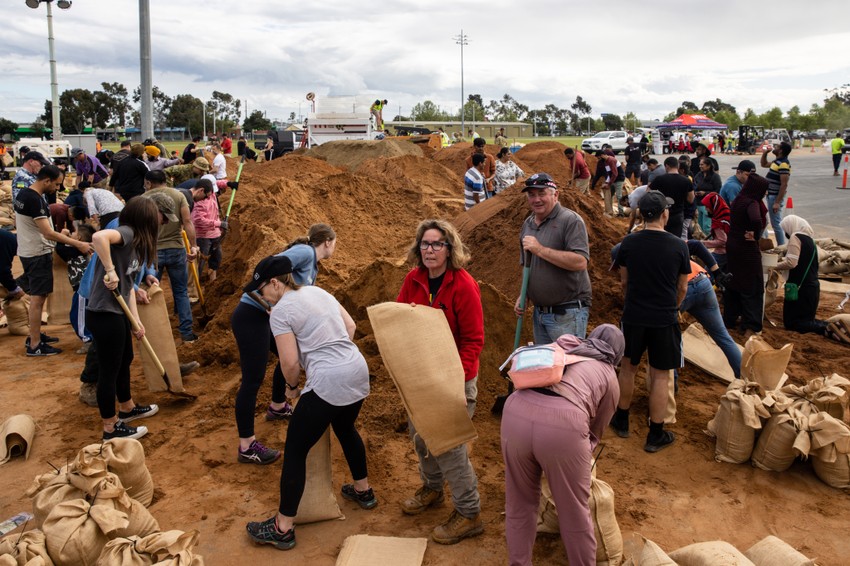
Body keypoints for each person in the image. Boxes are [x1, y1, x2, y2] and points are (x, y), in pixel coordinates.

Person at [245, 254, 375, 551]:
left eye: (261, 290)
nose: (262, 296)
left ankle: (282, 528)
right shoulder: (318, 291)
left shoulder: (280, 312)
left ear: (275, 283)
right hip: (356, 370)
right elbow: (351, 327)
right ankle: (363, 491)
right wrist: (335, 354)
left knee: (295, 450)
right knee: (346, 428)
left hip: (328, 380)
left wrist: (292, 388)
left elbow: (289, 363)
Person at [501, 325, 624, 566]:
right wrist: (576, 458)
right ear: (617, 354)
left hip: (515, 413)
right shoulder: (609, 374)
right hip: (563, 427)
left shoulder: (564, 349)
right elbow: (596, 430)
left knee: (520, 503)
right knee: (573, 513)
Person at [396, 219, 484, 545]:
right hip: (421, 376)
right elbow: (400, 320)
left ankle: (469, 512)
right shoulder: (414, 279)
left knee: (449, 446)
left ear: (450, 249)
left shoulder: (463, 285)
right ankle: (433, 488)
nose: (429, 250)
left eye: (437, 244)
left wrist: (455, 382)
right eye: (425, 244)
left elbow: (473, 341)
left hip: (455, 379)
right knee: (421, 437)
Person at [232, 224, 337, 465]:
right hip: (251, 316)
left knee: (290, 356)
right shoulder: (306, 252)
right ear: (328, 242)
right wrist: (268, 306)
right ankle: (247, 446)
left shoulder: (313, 265)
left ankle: (278, 406)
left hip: (266, 317)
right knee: (252, 380)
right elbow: (269, 267)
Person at [611, 192, 690, 452]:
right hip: (664, 318)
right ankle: (655, 433)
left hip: (634, 315)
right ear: (664, 214)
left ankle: (621, 419)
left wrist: (632, 302)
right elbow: (682, 287)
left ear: (641, 215)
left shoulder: (628, 243)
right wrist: (673, 307)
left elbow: (624, 282)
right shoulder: (679, 246)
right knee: (660, 376)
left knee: (628, 368)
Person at [86, 197, 161, 440]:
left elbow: (128, 288)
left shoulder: (138, 244)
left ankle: (127, 408)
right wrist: (110, 270)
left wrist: (136, 322)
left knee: (125, 358)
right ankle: (110, 427)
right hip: (103, 313)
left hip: (117, 312)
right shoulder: (127, 233)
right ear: (146, 218)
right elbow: (99, 237)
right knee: (109, 370)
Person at [13, 165, 93, 356]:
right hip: (37, 253)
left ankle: (35, 335)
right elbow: (47, 233)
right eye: (56, 184)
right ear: (46, 180)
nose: (57, 188)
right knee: (38, 298)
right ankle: (35, 345)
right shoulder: (34, 200)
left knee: (38, 295)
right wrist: (78, 243)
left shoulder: (24, 194)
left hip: (29, 249)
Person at [517, 173, 592, 342]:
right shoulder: (528, 224)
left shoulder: (571, 221)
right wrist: (525, 294)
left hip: (567, 313)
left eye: (542, 193)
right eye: (531, 195)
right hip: (539, 313)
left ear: (555, 195)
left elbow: (580, 261)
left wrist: (540, 250)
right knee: (545, 360)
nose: (536, 199)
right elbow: (527, 265)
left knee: (566, 359)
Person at [144, 170, 199, 343]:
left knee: (151, 292)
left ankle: (153, 336)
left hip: (153, 251)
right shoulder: (178, 195)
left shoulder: (143, 199)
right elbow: (187, 222)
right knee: (181, 291)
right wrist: (194, 246)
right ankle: (187, 333)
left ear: (149, 182)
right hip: (176, 249)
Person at [723, 174, 769, 337]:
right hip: (746, 249)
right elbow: (756, 219)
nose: (765, 193)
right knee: (752, 286)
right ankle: (750, 326)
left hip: (733, 245)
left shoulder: (738, 200)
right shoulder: (751, 202)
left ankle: (730, 319)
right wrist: (756, 234)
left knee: (734, 282)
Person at [773, 215, 828, 336]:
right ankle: (827, 327)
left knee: (794, 323)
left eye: (785, 229)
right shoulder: (810, 240)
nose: (786, 233)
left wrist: (773, 266)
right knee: (806, 320)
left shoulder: (795, 237)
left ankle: (825, 329)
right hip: (812, 288)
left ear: (790, 226)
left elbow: (791, 263)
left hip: (800, 289)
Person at [649, 156, 694, 239]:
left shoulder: (659, 179)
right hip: (678, 214)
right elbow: (691, 199)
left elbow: (648, 193)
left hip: (662, 214)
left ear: (666, 166)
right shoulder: (687, 181)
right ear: (678, 166)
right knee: (676, 239)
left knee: (662, 238)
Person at [190, 178, 224, 281]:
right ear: (202, 191)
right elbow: (199, 221)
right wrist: (218, 224)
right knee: (200, 262)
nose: (212, 195)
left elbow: (219, 182)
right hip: (203, 236)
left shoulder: (210, 192)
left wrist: (229, 183)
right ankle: (194, 285)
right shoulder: (199, 201)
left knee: (216, 259)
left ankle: (212, 283)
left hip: (215, 234)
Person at [760, 141, 792, 246]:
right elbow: (763, 164)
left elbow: (784, 184)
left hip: (774, 197)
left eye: (777, 147)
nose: (774, 147)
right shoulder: (777, 162)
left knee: (776, 224)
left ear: (781, 151)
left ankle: (781, 246)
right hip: (771, 195)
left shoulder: (783, 164)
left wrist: (777, 202)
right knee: (774, 222)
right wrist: (765, 153)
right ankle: (780, 245)